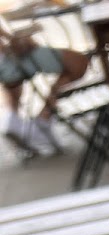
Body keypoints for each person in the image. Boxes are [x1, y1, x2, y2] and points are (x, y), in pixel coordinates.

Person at [0, 18, 89, 152]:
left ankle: (14, 120)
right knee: (78, 63)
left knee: (14, 78)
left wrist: (12, 39)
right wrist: (17, 42)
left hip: (7, 65)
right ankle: (43, 119)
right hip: (8, 63)